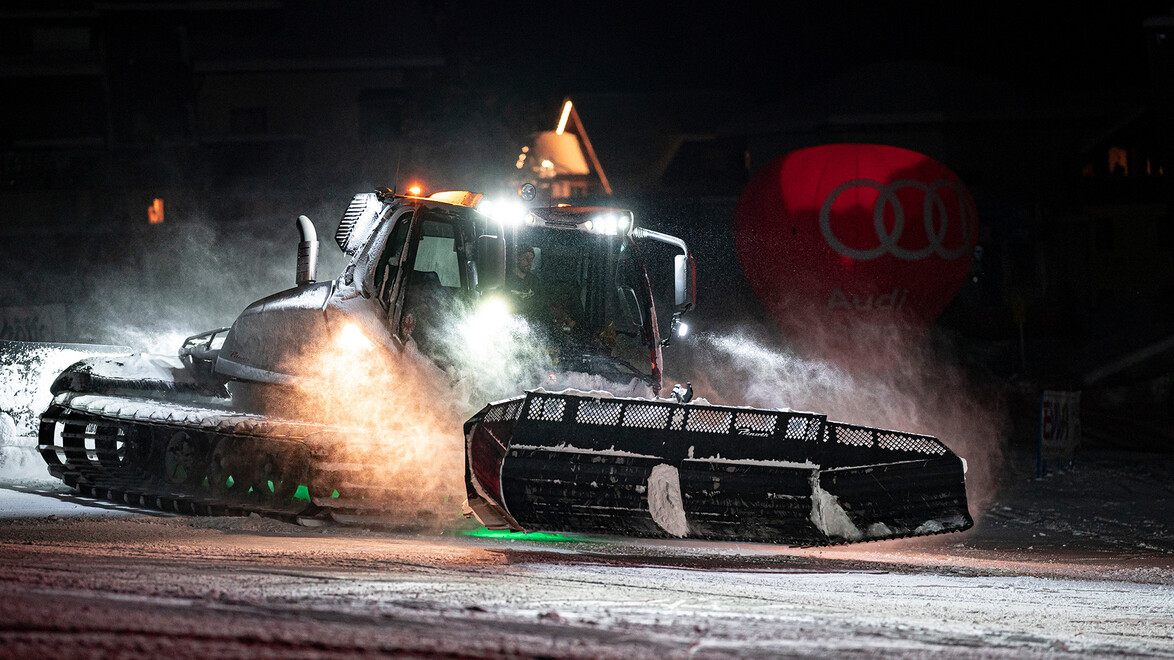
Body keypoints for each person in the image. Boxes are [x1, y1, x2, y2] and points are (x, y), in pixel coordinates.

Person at [505, 247, 542, 314]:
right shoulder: (505, 280)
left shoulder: (534, 281)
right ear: (516, 259)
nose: (529, 262)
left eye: (531, 259)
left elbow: (540, 303)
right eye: (526, 258)